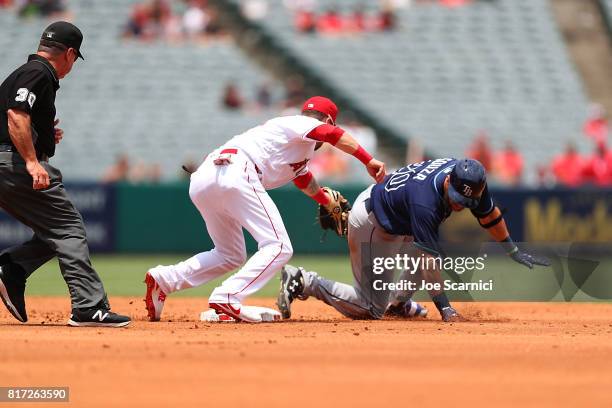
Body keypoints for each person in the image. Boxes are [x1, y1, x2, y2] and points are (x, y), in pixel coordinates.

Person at [144, 96, 386, 322]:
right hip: (237, 171)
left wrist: (324, 200)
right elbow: (331, 133)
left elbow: (302, 177)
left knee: (230, 254)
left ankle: (164, 280)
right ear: (328, 120)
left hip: (205, 178)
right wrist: (368, 160)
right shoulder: (300, 123)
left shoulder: (295, 144)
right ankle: (228, 297)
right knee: (279, 246)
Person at [277, 158, 549, 322]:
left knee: (426, 247)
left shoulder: (470, 179)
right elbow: (427, 262)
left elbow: (489, 214)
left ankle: (399, 303)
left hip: (397, 212)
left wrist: (512, 249)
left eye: (467, 202)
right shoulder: (426, 202)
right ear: (448, 183)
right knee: (369, 307)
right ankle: (304, 280)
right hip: (374, 222)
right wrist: (446, 309)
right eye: (457, 198)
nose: (459, 205)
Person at [0, 22, 130, 327]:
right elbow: (16, 114)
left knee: (55, 233)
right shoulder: (39, 73)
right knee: (69, 228)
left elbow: (18, 117)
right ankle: (89, 306)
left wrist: (42, 134)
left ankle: (12, 268)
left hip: (6, 164)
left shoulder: (25, 72)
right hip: (14, 165)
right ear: (70, 54)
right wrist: (32, 161)